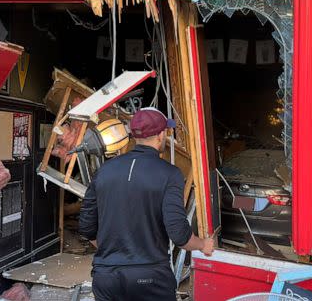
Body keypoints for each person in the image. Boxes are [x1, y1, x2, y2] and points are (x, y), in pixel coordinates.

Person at [79, 107, 214, 301]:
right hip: (150, 280)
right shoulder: (170, 174)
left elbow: (86, 226)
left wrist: (114, 254)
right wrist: (203, 244)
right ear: (160, 135)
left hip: (106, 278)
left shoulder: (105, 171)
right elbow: (179, 235)